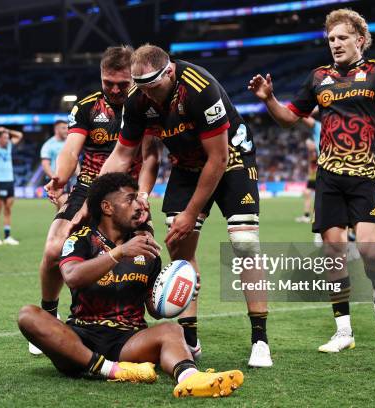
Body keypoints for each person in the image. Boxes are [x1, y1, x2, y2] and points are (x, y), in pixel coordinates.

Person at [89, 44, 272, 367]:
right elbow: (121, 154)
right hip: (186, 166)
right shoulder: (137, 99)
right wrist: (93, 199)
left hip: (231, 159)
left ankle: (260, 338)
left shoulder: (200, 89)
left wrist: (190, 214)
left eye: (153, 86)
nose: (148, 94)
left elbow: (218, 159)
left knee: (244, 242)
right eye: (140, 87)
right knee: (179, 248)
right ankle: (190, 339)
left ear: (169, 72)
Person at [249, 8, 375, 352]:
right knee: (334, 253)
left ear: (360, 40)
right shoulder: (318, 77)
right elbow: (290, 118)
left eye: (342, 37)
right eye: (331, 38)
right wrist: (269, 100)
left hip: (365, 176)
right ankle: (343, 330)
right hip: (329, 178)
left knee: (368, 251)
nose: (335, 44)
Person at [18, 172, 243, 398]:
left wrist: (180, 294)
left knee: (172, 330)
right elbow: (72, 276)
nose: (139, 205)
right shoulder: (81, 239)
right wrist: (120, 253)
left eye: (138, 198)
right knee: (28, 316)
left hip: (129, 341)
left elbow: (155, 310)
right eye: (130, 199)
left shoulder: (146, 249)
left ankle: (190, 378)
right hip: (81, 338)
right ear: (107, 207)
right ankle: (111, 370)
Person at [31, 45, 161, 355]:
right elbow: (71, 150)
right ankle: (50, 316)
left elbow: (151, 155)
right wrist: (60, 177)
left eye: (122, 83)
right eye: (108, 83)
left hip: (129, 194)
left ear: (133, 78)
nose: (115, 89)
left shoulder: (148, 105)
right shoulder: (87, 107)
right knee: (52, 250)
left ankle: (137, 325)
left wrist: (142, 196)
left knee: (146, 255)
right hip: (89, 187)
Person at [295, 115, 321, 224]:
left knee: (313, 195)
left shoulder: (318, 127)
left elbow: (303, 115)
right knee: (308, 194)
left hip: (320, 171)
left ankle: (313, 216)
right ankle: (307, 216)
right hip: (315, 174)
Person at [40, 120, 72, 207]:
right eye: (63, 128)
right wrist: (53, 177)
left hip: (68, 179)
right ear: (56, 130)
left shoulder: (69, 142)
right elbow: (45, 164)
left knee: (63, 209)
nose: (66, 130)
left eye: (67, 128)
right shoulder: (49, 145)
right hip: (55, 181)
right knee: (65, 206)